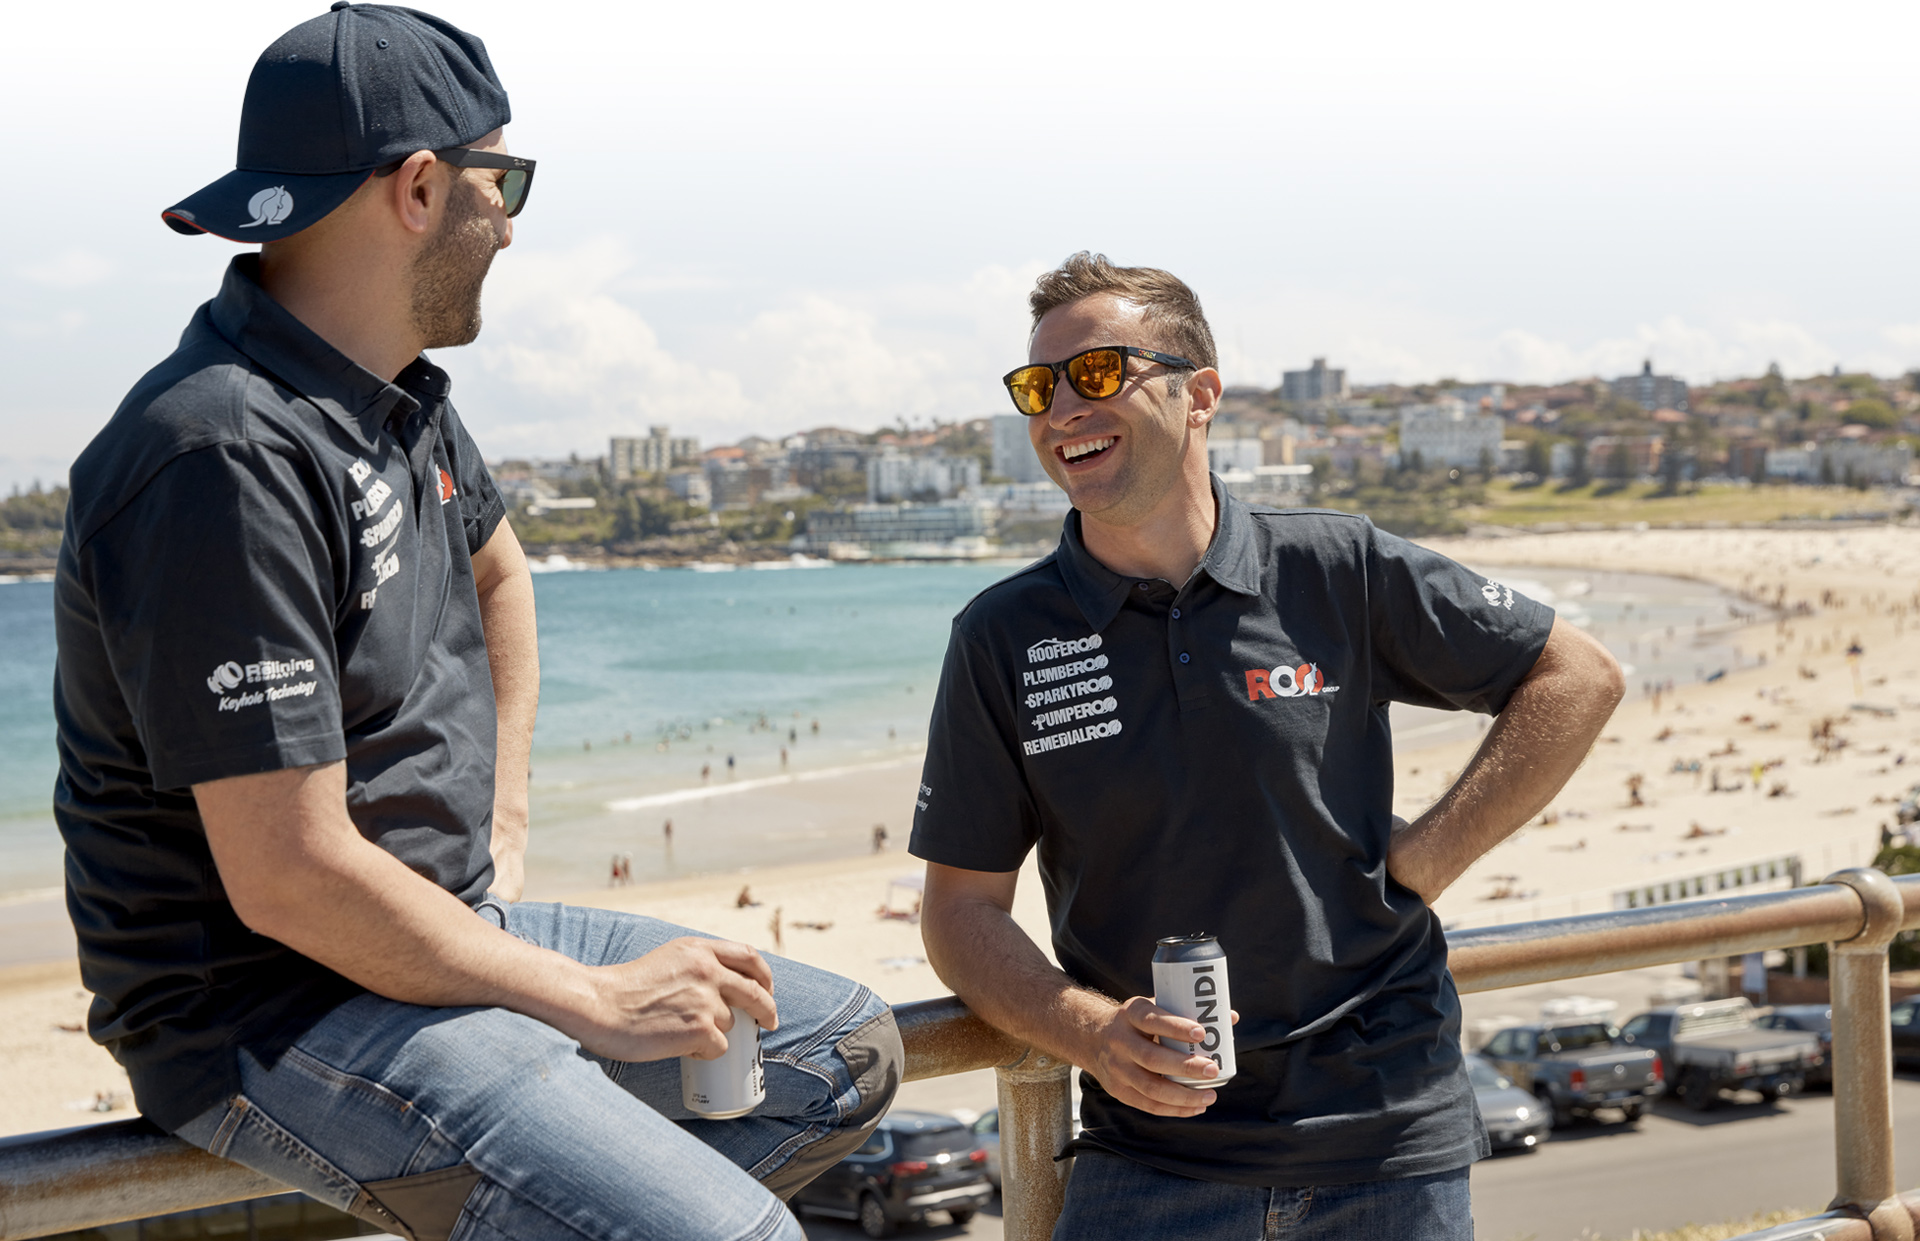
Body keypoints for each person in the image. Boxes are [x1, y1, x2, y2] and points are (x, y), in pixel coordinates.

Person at [52, 10, 899, 1241]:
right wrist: (589, 999)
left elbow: (501, 576)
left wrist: (497, 831)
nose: (506, 221)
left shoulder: (392, 394)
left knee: (834, 1051)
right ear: (419, 186)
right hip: (275, 1007)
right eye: (502, 181)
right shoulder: (221, 454)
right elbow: (288, 876)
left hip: (450, 925)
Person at [909, 253, 1622, 1239]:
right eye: (1039, 386)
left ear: (1199, 392)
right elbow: (959, 910)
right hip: (1153, 1158)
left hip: (1387, 1139)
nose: (1063, 407)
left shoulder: (1335, 566)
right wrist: (1088, 1030)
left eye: (1100, 373)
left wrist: (1431, 855)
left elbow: (1577, 675)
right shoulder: (1003, 635)